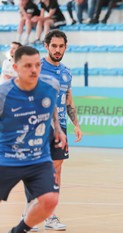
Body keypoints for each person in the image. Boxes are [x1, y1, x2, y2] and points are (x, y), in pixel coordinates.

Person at [0, 46, 66, 233]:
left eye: (37, 65)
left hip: (38, 157)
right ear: (15, 67)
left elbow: (51, 105)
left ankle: (19, 231)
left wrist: (58, 128)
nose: (34, 70)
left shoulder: (51, 85)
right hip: (7, 157)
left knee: (50, 200)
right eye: (28, 66)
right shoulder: (3, 94)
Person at [23, 30, 83, 231]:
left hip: (61, 129)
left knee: (56, 170)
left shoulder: (66, 72)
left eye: (61, 46)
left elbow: (68, 100)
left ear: (65, 47)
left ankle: (49, 214)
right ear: (46, 46)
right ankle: (30, 214)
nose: (57, 50)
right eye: (54, 46)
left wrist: (76, 124)